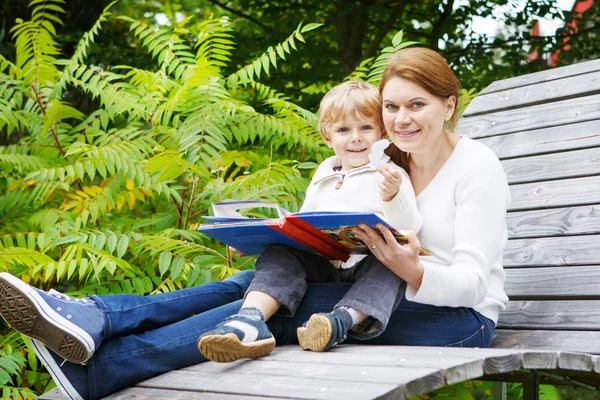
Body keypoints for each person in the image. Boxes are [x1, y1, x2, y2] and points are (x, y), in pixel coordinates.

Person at [0, 47, 509, 400]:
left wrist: (411, 268)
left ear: (449, 104)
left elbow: (471, 284)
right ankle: (99, 324)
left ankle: (104, 357)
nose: (402, 118)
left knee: (278, 311)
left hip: (458, 320)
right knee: (254, 283)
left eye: (417, 105)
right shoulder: (387, 156)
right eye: (393, 106)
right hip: (380, 288)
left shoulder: (477, 167)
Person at [197, 81, 422, 363]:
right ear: (328, 138)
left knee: (392, 266)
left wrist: (393, 195)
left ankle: (341, 321)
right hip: (323, 267)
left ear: (381, 134)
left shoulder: (390, 173)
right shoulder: (323, 175)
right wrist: (255, 241)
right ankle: (250, 320)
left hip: (366, 268)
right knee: (281, 252)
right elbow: (302, 228)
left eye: (365, 128)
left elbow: (410, 226)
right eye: (343, 130)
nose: (356, 138)